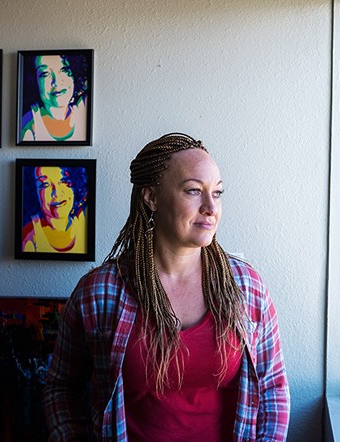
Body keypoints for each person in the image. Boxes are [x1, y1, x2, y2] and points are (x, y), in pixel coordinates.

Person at [44, 133, 290, 441]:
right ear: (151, 197)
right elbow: (61, 387)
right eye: (193, 191)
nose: (211, 207)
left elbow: (272, 386)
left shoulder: (246, 287)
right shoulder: (100, 293)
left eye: (217, 193)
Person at [20, 54, 88, 142]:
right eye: (45, 73)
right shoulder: (28, 124)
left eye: (64, 70)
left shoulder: (84, 106)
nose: (57, 82)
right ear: (34, 81)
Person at [21, 165, 88, 253]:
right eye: (45, 185)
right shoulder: (29, 237)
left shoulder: (83, 220)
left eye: (64, 181)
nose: (56, 193)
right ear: (34, 192)